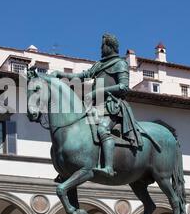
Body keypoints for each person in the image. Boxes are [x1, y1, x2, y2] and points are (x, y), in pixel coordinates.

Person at [52, 33, 143, 177]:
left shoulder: (120, 63)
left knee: (102, 129)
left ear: (110, 46)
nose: (101, 49)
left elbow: (124, 87)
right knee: (80, 130)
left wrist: (100, 91)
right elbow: (83, 75)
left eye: (103, 46)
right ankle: (71, 165)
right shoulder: (100, 64)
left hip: (113, 107)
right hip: (96, 107)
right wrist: (61, 74)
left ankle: (108, 167)